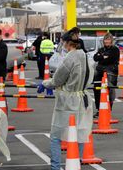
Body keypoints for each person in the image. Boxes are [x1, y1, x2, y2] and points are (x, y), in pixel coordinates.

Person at [41, 29, 94, 170]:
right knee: (80, 134)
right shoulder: (86, 57)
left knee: (56, 135)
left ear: (68, 43)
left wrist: (44, 83)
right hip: (83, 99)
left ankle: (55, 167)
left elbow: (57, 80)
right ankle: (76, 162)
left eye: (63, 42)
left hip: (68, 101)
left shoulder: (70, 58)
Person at [93, 33, 120, 118]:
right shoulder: (101, 49)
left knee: (109, 90)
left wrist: (102, 57)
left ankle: (108, 109)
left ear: (111, 41)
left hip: (111, 71)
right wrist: (103, 57)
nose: (107, 41)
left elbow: (111, 59)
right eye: (105, 39)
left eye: (108, 39)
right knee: (96, 89)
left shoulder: (115, 49)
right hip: (100, 71)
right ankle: (99, 109)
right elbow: (95, 57)